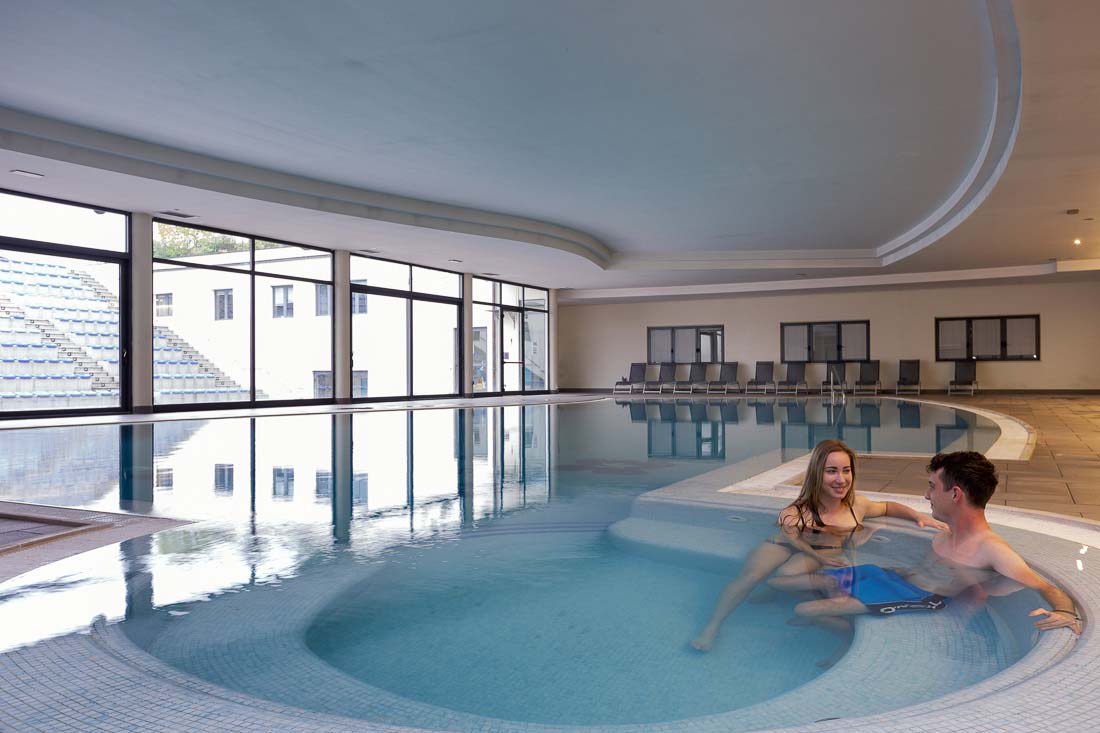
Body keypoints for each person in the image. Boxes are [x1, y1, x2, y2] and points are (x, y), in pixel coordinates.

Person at [773, 451, 1082, 635]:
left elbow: (1048, 588)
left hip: (915, 596)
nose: (926, 495)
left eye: (932, 487)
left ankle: (844, 634)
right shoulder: (946, 532)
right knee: (781, 583)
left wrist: (1067, 614)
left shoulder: (991, 548)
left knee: (804, 609)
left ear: (955, 494)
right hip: (892, 577)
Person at [690, 439, 945, 652]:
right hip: (784, 545)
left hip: (821, 553)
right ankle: (712, 626)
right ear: (816, 474)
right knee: (750, 576)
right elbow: (791, 534)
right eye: (831, 471)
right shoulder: (798, 510)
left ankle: (779, 595)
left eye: (846, 470)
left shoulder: (857, 505)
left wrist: (918, 516)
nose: (841, 479)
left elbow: (888, 507)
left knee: (788, 576)